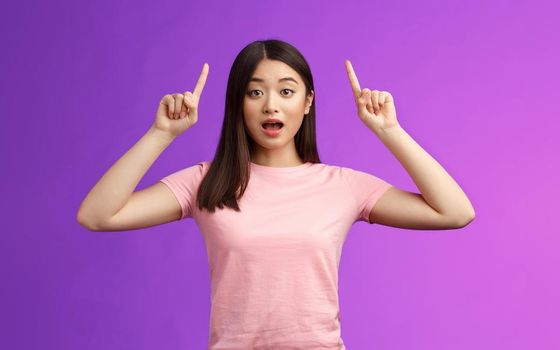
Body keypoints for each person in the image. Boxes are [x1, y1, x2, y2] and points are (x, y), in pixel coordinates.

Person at [77, 39, 475, 349]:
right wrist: (160, 134)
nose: (271, 106)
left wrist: (390, 131)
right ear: (239, 104)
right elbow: (97, 215)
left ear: (307, 102)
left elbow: (455, 212)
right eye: (255, 93)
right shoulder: (206, 182)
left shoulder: (343, 185)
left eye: (286, 91)